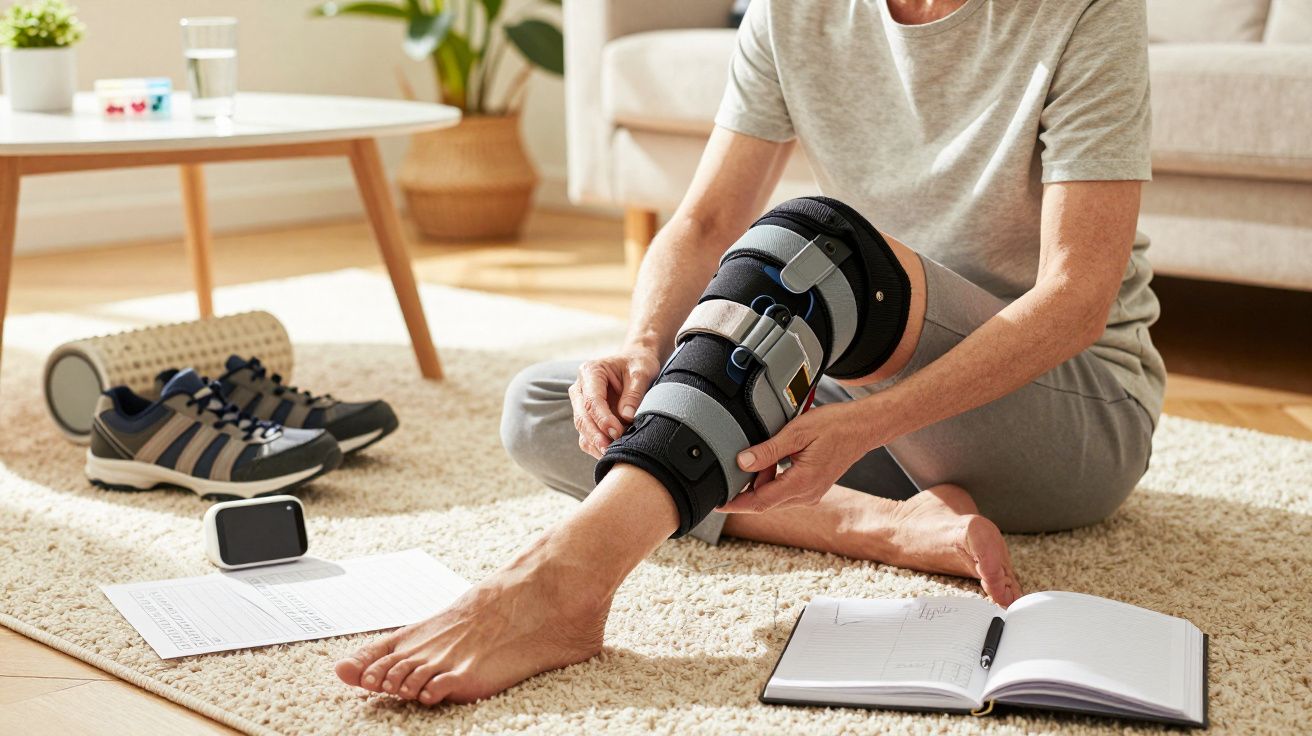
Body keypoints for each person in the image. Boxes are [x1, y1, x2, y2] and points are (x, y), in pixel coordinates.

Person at [335, 0, 1162, 705]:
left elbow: (1076, 299)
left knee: (814, 247)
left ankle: (562, 581)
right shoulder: (794, 9)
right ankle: (884, 527)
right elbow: (700, 223)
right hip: (865, 407)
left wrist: (868, 422)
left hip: (1064, 415)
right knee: (550, 406)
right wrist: (644, 348)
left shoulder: (1085, 10)